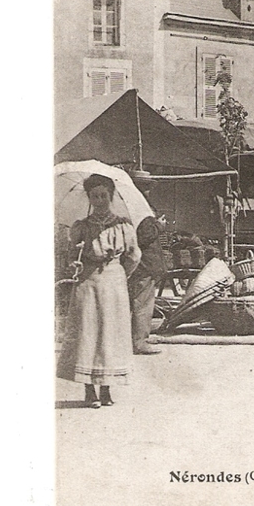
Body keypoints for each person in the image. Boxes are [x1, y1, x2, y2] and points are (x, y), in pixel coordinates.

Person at [57, 174, 141, 408]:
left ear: (111, 196)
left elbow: (133, 256)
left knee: (110, 335)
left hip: (114, 283)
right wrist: (77, 262)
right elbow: (72, 256)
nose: (100, 200)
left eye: (104, 195)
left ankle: (106, 390)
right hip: (88, 283)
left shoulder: (123, 226)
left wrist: (119, 273)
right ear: (90, 198)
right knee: (88, 333)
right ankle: (89, 391)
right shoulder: (81, 227)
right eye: (95, 196)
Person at [128, 215, 166, 355]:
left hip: (139, 266)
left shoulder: (132, 215)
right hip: (145, 267)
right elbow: (143, 238)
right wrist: (159, 226)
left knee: (136, 304)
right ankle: (139, 343)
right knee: (143, 305)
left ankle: (134, 340)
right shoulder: (142, 216)